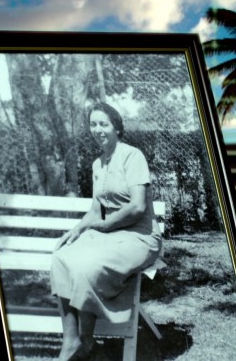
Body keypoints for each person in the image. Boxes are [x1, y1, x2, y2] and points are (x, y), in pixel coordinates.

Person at [50, 102, 162, 360]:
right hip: (111, 235)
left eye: (104, 124)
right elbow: (95, 209)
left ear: (117, 128)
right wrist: (77, 230)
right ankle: (71, 341)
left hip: (140, 237)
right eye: (93, 124)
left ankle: (87, 342)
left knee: (87, 265)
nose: (98, 129)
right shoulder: (97, 164)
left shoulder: (133, 156)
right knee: (62, 257)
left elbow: (136, 207)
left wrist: (103, 226)